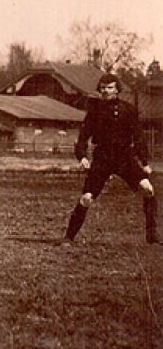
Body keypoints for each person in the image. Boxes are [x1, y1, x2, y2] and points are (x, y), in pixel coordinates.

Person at [62, 73, 158, 245]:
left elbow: (138, 137)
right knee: (87, 198)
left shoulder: (129, 110)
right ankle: (68, 237)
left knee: (148, 189)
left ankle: (152, 236)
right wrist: (82, 156)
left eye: (110, 88)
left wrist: (144, 162)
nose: (106, 91)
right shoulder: (94, 111)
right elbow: (83, 136)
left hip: (124, 158)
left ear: (117, 89)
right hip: (102, 159)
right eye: (103, 88)